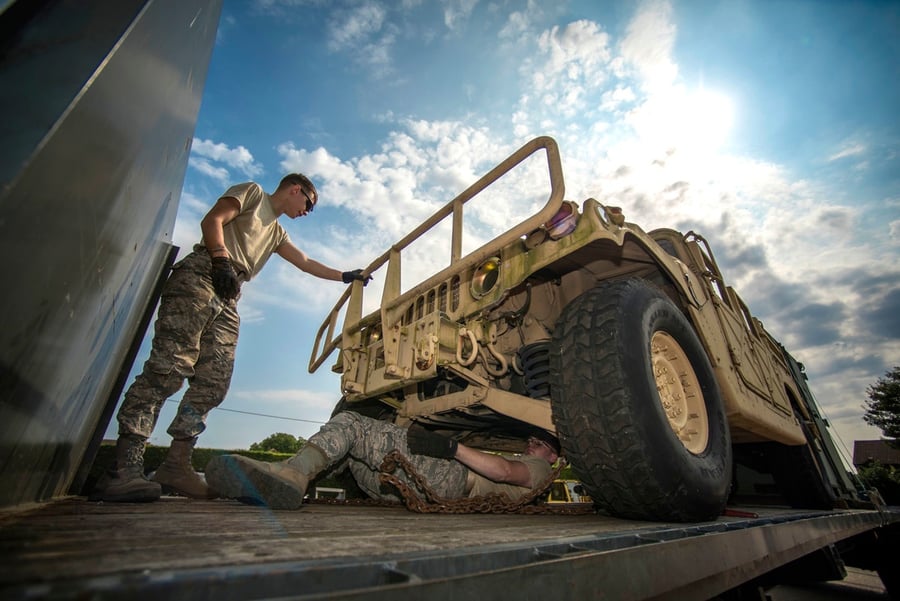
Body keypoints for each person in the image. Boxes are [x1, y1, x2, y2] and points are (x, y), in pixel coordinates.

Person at [92, 174, 371, 503]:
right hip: (205, 273)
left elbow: (305, 262)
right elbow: (214, 218)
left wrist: (345, 276)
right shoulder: (253, 194)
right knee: (168, 368)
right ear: (296, 189)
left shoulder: (277, 232)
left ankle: (176, 466)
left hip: (229, 294)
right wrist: (221, 259)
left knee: (213, 382)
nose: (307, 212)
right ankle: (124, 469)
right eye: (309, 204)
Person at [204, 411, 561, 510]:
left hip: (449, 481)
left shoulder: (540, 469)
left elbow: (501, 470)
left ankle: (293, 475)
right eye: (530, 439)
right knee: (349, 450)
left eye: (540, 442)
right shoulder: (540, 471)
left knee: (353, 425)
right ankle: (278, 482)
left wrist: (451, 448)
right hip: (413, 492)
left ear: (554, 455)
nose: (531, 443)